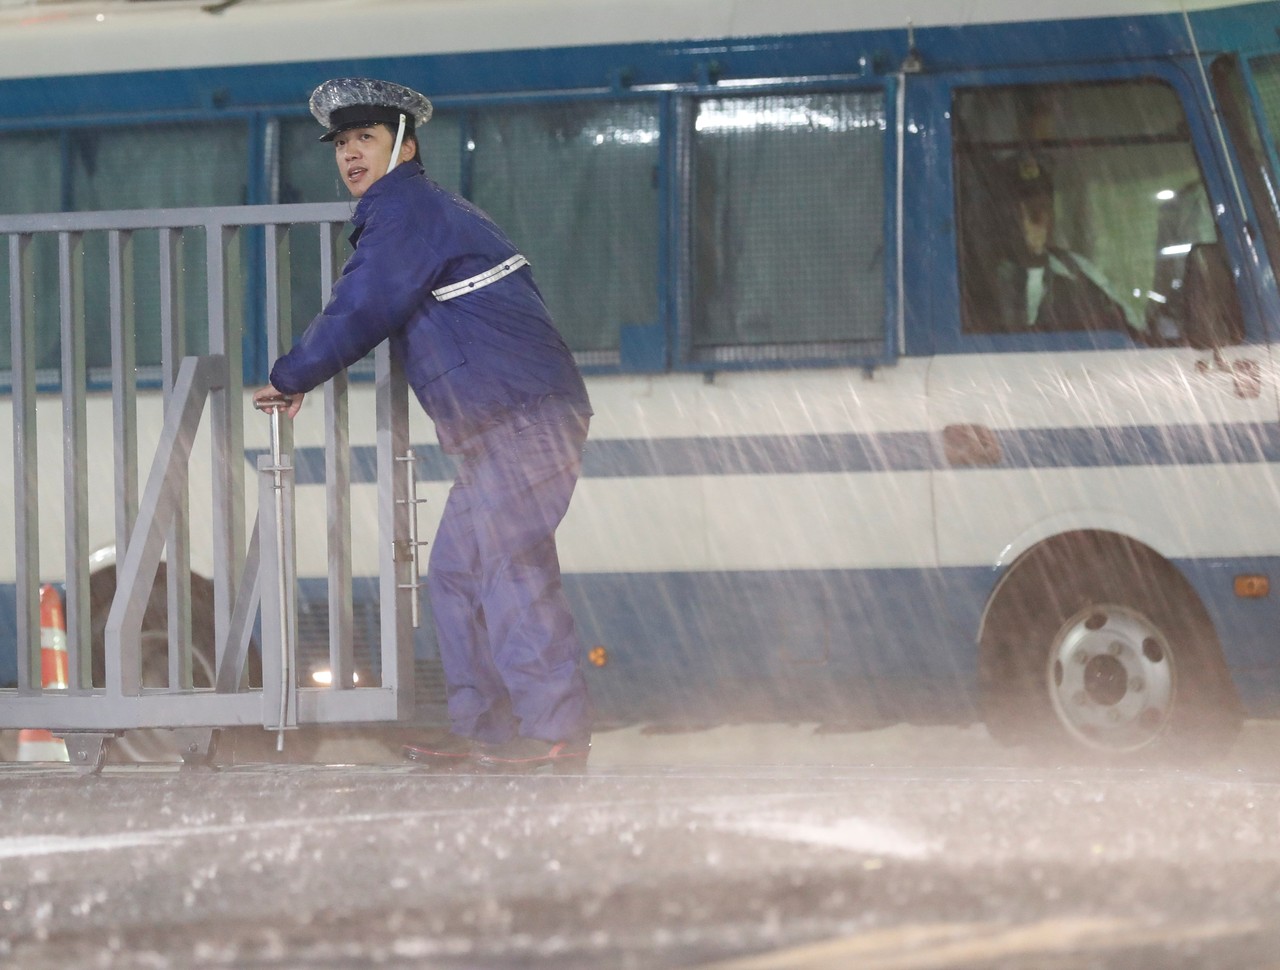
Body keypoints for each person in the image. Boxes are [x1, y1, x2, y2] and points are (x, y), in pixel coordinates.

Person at [253, 78, 594, 772]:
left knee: (503, 564)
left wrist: (294, 375)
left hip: (526, 419)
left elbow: (364, 302)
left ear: (405, 146)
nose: (350, 155)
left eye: (366, 140)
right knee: (459, 571)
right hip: (509, 424)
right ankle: (490, 731)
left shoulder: (407, 210)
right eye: (343, 144)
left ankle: (553, 730)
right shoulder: (419, 210)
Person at [987, 155, 1141, 335]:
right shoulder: (985, 276)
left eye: (1044, 208)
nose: (1039, 221)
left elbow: (1131, 328)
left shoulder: (1077, 269)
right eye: (1029, 212)